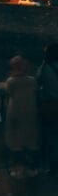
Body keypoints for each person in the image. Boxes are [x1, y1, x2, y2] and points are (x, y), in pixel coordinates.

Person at [4, 55, 40, 178]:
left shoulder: (11, 81)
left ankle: (17, 169)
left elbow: (9, 93)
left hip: (15, 112)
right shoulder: (32, 80)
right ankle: (31, 168)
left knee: (16, 141)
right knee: (30, 140)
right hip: (30, 112)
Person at [36, 42, 58, 175]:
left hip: (50, 106)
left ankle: (52, 166)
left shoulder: (44, 67)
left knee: (50, 136)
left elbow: (38, 81)